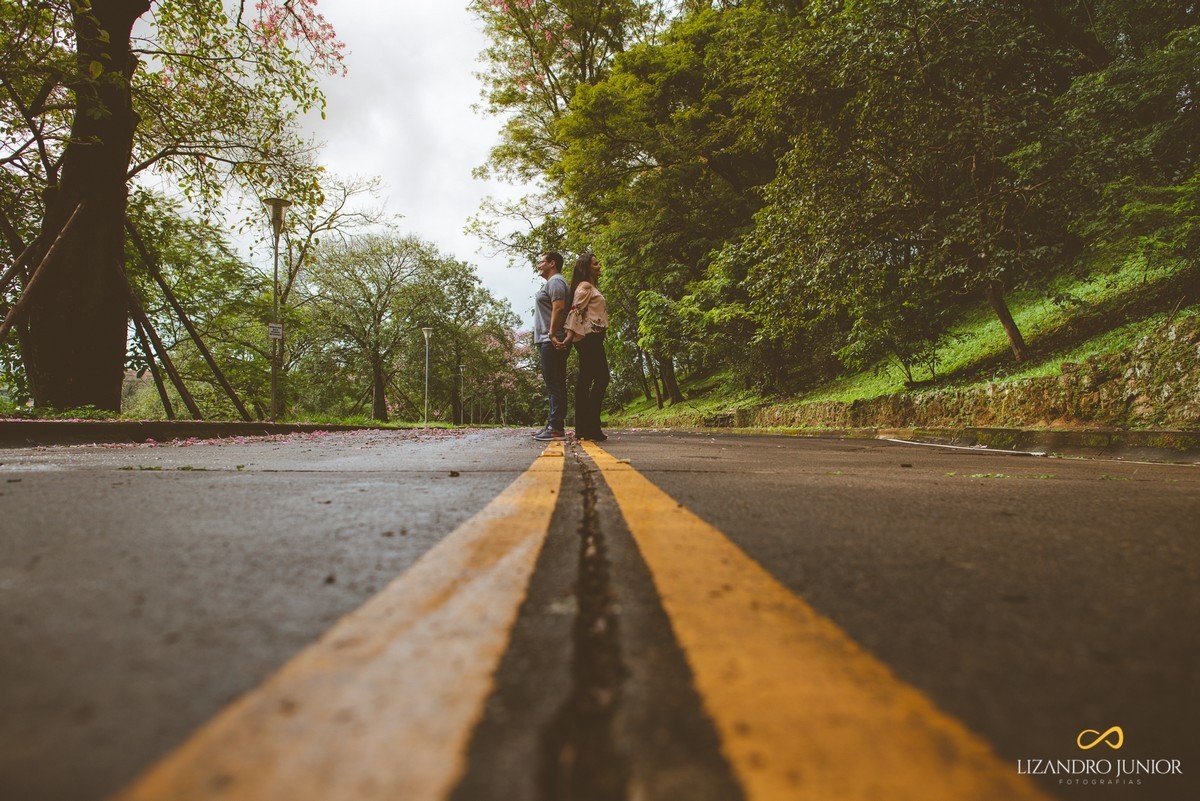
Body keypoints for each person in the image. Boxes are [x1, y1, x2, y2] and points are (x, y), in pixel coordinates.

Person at [560, 252, 610, 441]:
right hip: (589, 338)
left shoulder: (589, 286)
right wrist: (569, 336)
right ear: (586, 268)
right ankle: (590, 425)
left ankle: (585, 428)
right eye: (595, 264)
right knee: (601, 378)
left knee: (587, 379)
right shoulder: (585, 287)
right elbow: (575, 311)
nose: (599, 266)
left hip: (593, 337)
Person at [532, 251, 570, 441]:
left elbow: (559, 307)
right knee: (554, 384)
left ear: (552, 263)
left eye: (541, 261)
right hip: (549, 339)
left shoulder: (555, 282)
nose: (539, 265)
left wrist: (552, 333)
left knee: (554, 385)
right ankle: (552, 423)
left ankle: (555, 427)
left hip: (552, 340)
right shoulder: (552, 283)